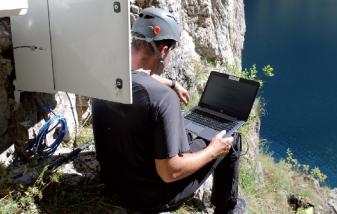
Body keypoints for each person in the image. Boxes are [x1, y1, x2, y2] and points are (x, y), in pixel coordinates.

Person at [92, 8, 247, 214]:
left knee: (186, 131)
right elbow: (169, 172)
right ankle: (228, 208)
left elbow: (138, 75)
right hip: (152, 197)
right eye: (172, 52)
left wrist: (172, 84)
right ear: (163, 51)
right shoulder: (162, 98)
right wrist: (213, 151)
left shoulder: (105, 76)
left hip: (114, 182)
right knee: (231, 137)